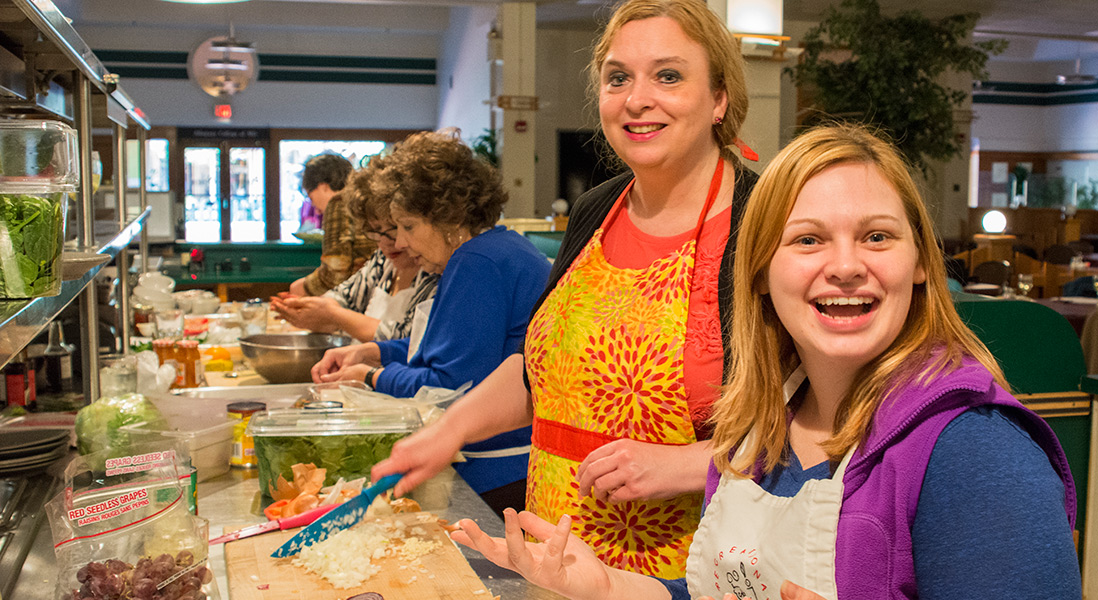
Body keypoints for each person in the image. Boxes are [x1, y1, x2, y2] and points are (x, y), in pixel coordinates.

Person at [449, 124, 1082, 600]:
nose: (843, 265)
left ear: (921, 265)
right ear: (758, 273)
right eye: (808, 240)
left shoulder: (975, 451)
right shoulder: (761, 429)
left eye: (877, 236)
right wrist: (609, 587)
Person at [369, 0, 755, 578]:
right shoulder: (596, 210)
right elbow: (540, 374)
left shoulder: (767, 220)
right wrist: (446, 432)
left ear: (719, 98)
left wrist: (683, 466)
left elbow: (825, 426)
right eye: (617, 77)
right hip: (557, 561)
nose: (636, 98)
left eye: (668, 75)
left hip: (688, 573)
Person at [311, 129, 551, 515]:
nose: (401, 243)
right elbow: (452, 347)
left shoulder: (477, 262)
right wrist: (373, 351)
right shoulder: (496, 250)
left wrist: (371, 376)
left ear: (448, 216)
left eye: (408, 226)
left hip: (499, 470)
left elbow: (448, 386)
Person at [271, 155, 439, 343]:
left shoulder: (434, 272)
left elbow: (407, 339)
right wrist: (311, 307)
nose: (388, 242)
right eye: (376, 232)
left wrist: (331, 314)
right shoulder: (383, 262)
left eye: (394, 229)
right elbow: (344, 295)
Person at [289, 153, 378, 297]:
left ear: (323, 186)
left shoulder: (339, 202)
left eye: (310, 196)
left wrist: (301, 288)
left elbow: (335, 273)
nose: (314, 207)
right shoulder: (364, 199)